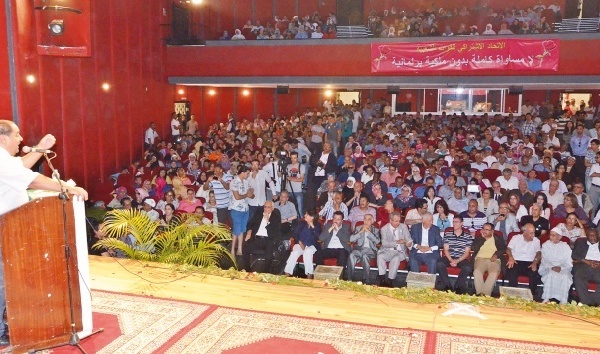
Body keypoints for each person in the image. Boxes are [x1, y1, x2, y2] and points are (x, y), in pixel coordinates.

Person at [0, 120, 88, 346]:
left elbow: (20, 166)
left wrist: (39, 148)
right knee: (2, 280)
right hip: (4, 225)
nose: (21, 139)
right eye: (17, 135)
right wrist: (70, 188)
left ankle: (7, 323)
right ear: (3, 139)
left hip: (9, 225)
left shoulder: (6, 160)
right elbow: (35, 179)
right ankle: (2, 331)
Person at [505, 223, 542, 300]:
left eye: (534, 232)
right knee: (512, 270)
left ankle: (532, 296)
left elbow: (539, 253)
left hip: (530, 263)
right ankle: (512, 297)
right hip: (516, 261)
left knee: (533, 272)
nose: (533, 235)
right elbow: (508, 249)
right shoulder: (515, 238)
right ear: (524, 232)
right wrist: (511, 258)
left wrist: (535, 262)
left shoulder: (536, 240)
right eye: (531, 233)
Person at [243, 201, 281, 273]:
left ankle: (266, 272)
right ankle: (248, 271)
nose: (266, 209)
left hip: (268, 240)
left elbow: (274, 233)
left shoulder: (275, 217)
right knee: (245, 249)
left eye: (268, 207)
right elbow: (250, 224)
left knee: (269, 252)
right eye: (265, 207)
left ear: (272, 208)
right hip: (257, 238)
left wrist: (267, 221)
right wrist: (249, 231)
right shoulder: (258, 214)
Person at [437, 217, 473, 293]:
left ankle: (458, 286)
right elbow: (446, 249)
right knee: (440, 264)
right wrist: (451, 260)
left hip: (461, 257)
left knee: (467, 268)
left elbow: (466, 252)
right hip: (449, 256)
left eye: (456, 222)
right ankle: (447, 286)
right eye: (453, 222)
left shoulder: (467, 236)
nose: (454, 223)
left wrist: (457, 260)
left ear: (461, 223)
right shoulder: (448, 234)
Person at [376, 211, 412, 287]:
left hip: (400, 251)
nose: (398, 223)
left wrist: (409, 243)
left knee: (396, 258)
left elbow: (408, 239)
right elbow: (385, 243)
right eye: (396, 221)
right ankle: (382, 278)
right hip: (387, 250)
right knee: (380, 256)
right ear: (390, 221)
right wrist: (397, 242)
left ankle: (390, 280)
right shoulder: (384, 229)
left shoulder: (403, 226)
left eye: (399, 221)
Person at [284, 210, 322, 279]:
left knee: (307, 252)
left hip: (311, 245)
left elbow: (319, 237)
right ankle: (287, 273)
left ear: (312, 217)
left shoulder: (317, 225)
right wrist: (299, 242)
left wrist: (312, 226)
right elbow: (295, 234)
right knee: (295, 252)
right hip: (300, 244)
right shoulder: (301, 223)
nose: (305, 216)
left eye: (307, 214)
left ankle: (309, 274)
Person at [539, 227, 573, 304]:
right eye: (551, 235)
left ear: (559, 237)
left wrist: (561, 267)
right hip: (548, 266)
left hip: (563, 268)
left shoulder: (565, 246)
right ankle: (546, 299)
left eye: (554, 235)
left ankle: (563, 301)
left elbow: (568, 261)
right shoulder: (546, 245)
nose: (552, 237)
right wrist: (552, 267)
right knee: (551, 274)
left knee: (565, 277)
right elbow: (545, 260)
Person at [471, 223, 506, 296]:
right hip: (480, 259)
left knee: (493, 273)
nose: (484, 231)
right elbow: (474, 248)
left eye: (487, 230)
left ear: (492, 231)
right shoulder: (479, 238)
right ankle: (479, 294)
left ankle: (484, 294)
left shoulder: (497, 238)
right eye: (483, 229)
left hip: (494, 260)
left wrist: (496, 255)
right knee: (477, 272)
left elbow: (503, 248)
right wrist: (482, 238)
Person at [347, 214, 380, 284]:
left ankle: (366, 279)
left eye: (369, 219)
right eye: (365, 219)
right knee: (352, 255)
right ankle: (350, 279)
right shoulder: (358, 228)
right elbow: (351, 239)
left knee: (365, 256)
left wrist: (368, 232)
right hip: (359, 249)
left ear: (372, 221)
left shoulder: (375, 230)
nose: (366, 221)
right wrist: (361, 232)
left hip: (370, 251)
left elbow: (377, 241)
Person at [572, 229, 600, 306]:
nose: (593, 237)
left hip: (599, 266)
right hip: (584, 265)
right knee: (578, 276)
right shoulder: (581, 242)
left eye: (594, 235)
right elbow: (574, 255)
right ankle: (587, 303)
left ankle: (597, 302)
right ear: (587, 236)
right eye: (590, 235)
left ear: (598, 235)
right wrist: (587, 261)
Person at [230, 166, 254, 256]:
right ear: (243, 172)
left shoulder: (246, 182)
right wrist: (246, 195)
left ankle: (239, 248)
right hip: (236, 209)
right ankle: (232, 249)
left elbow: (251, 189)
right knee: (236, 229)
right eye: (247, 173)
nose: (248, 175)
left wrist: (250, 193)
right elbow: (237, 196)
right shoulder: (234, 182)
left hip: (245, 208)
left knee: (242, 229)